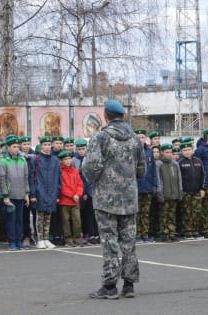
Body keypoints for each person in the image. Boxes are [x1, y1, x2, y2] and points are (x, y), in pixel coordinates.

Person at [82, 99, 145, 299]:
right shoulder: (135, 139)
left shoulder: (100, 138)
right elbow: (142, 169)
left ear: (106, 115)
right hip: (129, 198)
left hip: (106, 200)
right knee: (129, 242)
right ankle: (129, 285)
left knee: (110, 242)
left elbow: (91, 168)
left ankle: (109, 287)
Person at [29, 136, 61, 249]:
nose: (47, 147)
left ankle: (46, 238)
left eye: (49, 145)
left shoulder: (55, 160)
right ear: (41, 146)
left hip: (51, 192)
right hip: (40, 191)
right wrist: (33, 193)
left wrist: (57, 193)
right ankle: (40, 239)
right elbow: (32, 177)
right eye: (45, 145)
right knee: (40, 216)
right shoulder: (36, 159)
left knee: (48, 216)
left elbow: (58, 178)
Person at [0, 135, 30, 250]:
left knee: (19, 220)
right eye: (14, 146)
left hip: (20, 195)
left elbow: (26, 178)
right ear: (8, 148)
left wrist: (26, 194)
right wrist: (5, 196)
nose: (16, 149)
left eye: (17, 146)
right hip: (9, 196)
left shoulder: (22, 160)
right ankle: (11, 241)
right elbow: (2, 179)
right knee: (11, 220)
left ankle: (18, 240)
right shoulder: (3, 160)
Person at [72, 139, 98, 245]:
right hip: (80, 191)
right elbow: (76, 178)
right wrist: (82, 192)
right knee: (82, 214)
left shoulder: (91, 159)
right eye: (79, 149)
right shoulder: (74, 160)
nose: (81, 151)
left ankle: (95, 234)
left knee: (93, 213)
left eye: (83, 149)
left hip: (92, 190)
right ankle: (86, 233)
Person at [155, 144, 183, 242]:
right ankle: (164, 233)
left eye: (170, 152)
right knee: (164, 215)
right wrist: (159, 193)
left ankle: (171, 232)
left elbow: (179, 179)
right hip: (164, 194)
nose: (169, 154)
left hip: (174, 194)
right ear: (162, 153)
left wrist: (180, 191)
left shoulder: (175, 164)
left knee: (172, 215)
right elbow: (158, 180)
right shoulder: (158, 164)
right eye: (167, 152)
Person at [178, 141, 205, 239]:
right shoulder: (180, 162)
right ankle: (188, 232)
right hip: (186, 192)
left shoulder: (198, 161)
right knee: (187, 212)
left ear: (192, 150)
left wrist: (202, 188)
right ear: (181, 151)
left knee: (196, 212)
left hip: (197, 191)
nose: (187, 152)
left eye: (189, 149)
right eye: (184, 150)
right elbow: (178, 178)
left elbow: (202, 175)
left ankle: (195, 231)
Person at [135, 128, 157, 243]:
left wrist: (154, 185)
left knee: (146, 213)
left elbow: (153, 170)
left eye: (142, 137)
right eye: (138, 138)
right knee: (136, 213)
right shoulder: (132, 151)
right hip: (136, 187)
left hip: (148, 187)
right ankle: (137, 234)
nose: (140, 139)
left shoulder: (149, 151)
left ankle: (145, 233)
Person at [58, 151, 83, 247]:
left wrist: (78, 194)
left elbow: (80, 184)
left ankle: (77, 238)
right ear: (61, 161)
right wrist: (72, 195)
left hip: (75, 200)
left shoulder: (75, 171)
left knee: (77, 220)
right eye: (65, 159)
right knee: (66, 221)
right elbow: (62, 187)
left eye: (69, 159)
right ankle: (68, 238)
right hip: (65, 200)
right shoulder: (60, 171)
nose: (68, 161)